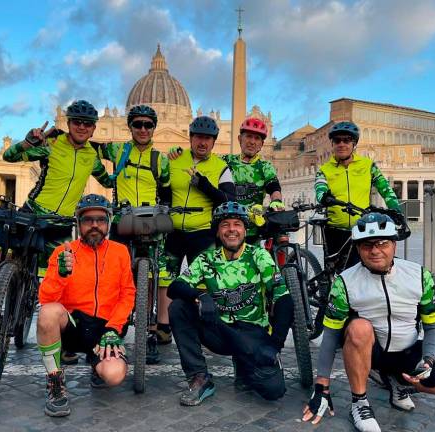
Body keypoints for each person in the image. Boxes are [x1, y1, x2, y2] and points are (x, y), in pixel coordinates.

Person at [301, 213, 435, 431]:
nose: (375, 251)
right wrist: (322, 384)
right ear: (358, 249)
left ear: (394, 245)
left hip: (407, 351)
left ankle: (401, 385)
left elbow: (433, 326)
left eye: (382, 243)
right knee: (359, 327)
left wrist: (428, 360)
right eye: (367, 245)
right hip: (373, 353)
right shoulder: (345, 282)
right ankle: (359, 403)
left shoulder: (419, 275)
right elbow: (330, 336)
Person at [0, 99, 112, 363]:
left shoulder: (91, 157)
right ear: (69, 124)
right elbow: (10, 157)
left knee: (67, 280)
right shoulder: (50, 146)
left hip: (61, 223)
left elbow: (109, 180)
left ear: (94, 128)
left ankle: (62, 337)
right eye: (77, 122)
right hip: (32, 212)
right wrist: (28, 141)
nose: (82, 127)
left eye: (87, 124)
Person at [167, 201, 294, 406]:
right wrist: (201, 295)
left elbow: (284, 299)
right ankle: (199, 377)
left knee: (273, 390)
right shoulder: (207, 258)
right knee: (178, 307)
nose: (232, 229)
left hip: (252, 333)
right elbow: (175, 287)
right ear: (218, 232)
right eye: (225, 225)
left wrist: (275, 345)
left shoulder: (258, 255)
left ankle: (244, 364)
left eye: (237, 224)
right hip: (218, 330)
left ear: (245, 230)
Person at [36, 194, 135, 417]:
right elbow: (45, 298)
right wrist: (61, 274)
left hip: (105, 330)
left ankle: (96, 367)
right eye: (88, 220)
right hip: (74, 324)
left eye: (100, 220)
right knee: (48, 313)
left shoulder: (120, 252)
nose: (94, 225)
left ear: (108, 222)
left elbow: (128, 294)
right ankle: (55, 383)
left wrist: (114, 328)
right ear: (79, 223)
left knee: (114, 374)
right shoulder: (63, 252)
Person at [92, 104, 172, 360]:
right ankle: (110, 326)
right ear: (130, 127)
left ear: (154, 128)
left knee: (148, 278)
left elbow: (168, 192)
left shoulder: (160, 159)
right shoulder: (117, 150)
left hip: (150, 220)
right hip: (122, 220)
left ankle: (148, 329)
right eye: (138, 124)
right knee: (114, 276)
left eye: (148, 125)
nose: (143, 129)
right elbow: (88, 145)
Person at [160, 115, 236, 344]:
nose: (202, 143)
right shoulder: (173, 159)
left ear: (213, 142)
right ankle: (163, 328)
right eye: (198, 138)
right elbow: (161, 190)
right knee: (165, 278)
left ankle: (206, 325)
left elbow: (229, 199)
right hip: (173, 230)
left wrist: (203, 184)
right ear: (190, 138)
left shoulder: (221, 167)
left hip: (203, 231)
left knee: (205, 281)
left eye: (207, 139)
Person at [169, 116, 283, 242]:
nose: (252, 142)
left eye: (257, 138)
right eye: (248, 137)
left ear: (261, 144)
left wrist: (276, 201)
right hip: (223, 230)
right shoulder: (226, 161)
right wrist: (178, 152)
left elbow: (274, 186)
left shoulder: (265, 166)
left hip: (251, 230)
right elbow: (204, 158)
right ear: (240, 139)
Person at [313, 121, 400, 271]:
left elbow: (385, 189)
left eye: (346, 140)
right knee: (335, 272)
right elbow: (320, 188)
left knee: (363, 269)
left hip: (361, 227)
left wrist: (396, 210)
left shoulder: (367, 166)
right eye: (337, 140)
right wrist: (324, 197)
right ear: (332, 144)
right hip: (335, 228)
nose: (341, 144)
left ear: (354, 144)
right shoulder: (324, 170)